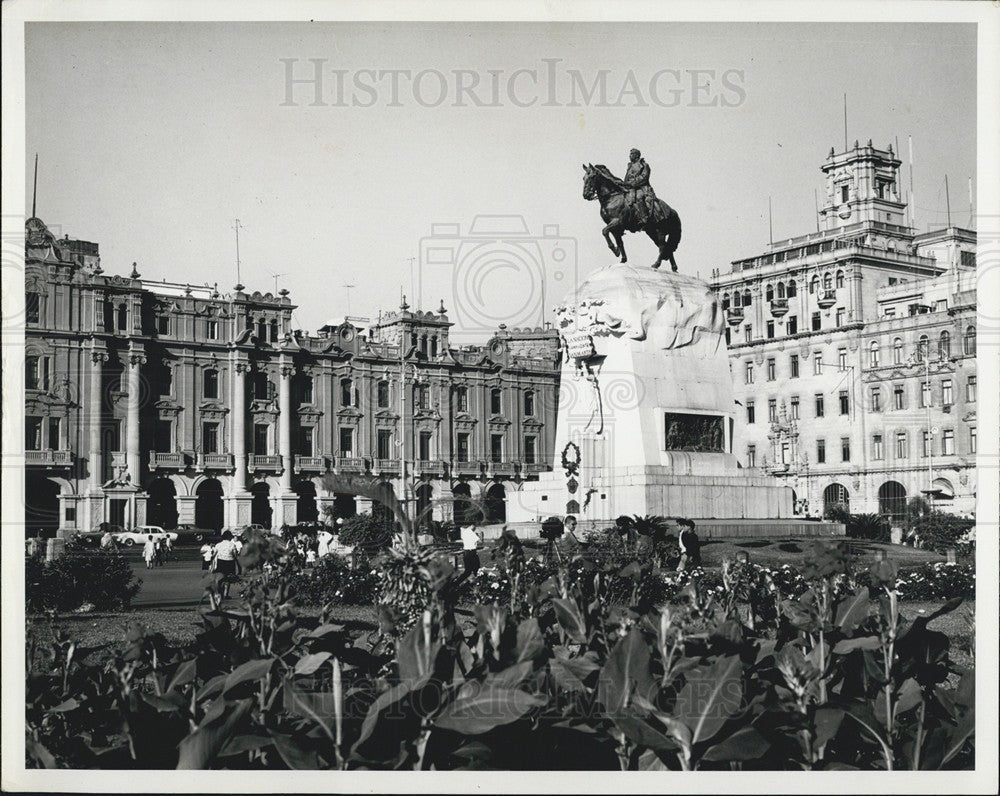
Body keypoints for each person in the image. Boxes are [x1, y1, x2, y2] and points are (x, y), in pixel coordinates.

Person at [623, 148, 664, 226]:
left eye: (632, 154)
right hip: (630, 187)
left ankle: (644, 217)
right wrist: (624, 184)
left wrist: (631, 183)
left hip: (641, 187)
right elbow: (627, 178)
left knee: (639, 196)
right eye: (630, 154)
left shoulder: (644, 165)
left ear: (637, 155)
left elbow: (644, 177)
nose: (630, 156)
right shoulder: (630, 166)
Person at [453, 520, 483, 587]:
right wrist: (480, 534)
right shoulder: (471, 533)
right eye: (475, 526)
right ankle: (478, 585)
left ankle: (457, 583)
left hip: (466, 552)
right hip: (471, 552)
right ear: (472, 525)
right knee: (476, 569)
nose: (475, 528)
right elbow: (481, 541)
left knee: (468, 571)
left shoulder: (464, 532)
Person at [213, 530, 240, 598]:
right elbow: (235, 555)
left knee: (220, 578)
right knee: (228, 579)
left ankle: (219, 593)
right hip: (230, 562)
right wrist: (238, 564)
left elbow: (214, 554)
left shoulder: (218, 545)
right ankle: (226, 594)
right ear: (230, 537)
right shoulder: (232, 545)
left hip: (220, 561)